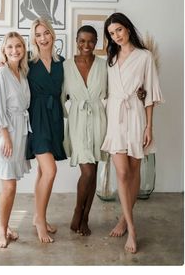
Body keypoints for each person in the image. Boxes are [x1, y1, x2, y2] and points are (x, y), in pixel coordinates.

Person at [101, 12, 164, 253]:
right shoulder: (110, 58)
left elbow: (149, 94)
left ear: (127, 28)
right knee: (122, 171)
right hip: (115, 118)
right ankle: (133, 228)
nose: (115, 36)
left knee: (135, 170)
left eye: (118, 30)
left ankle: (124, 219)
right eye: (111, 33)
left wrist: (149, 126)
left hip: (137, 116)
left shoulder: (145, 56)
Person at [0, 32, 31, 248]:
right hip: (6, 134)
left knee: (11, 185)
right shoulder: (1, 74)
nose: (15, 50)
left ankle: (7, 225)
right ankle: (1, 231)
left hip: (19, 131)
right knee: (9, 187)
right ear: (4, 50)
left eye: (18, 46)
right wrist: (6, 138)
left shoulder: (22, 72)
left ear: (24, 49)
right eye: (10, 47)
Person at [62, 25, 108, 236]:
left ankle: (86, 217)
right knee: (87, 171)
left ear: (97, 43)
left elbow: (114, 90)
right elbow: (60, 94)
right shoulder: (65, 66)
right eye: (82, 40)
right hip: (78, 120)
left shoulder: (105, 65)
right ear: (77, 41)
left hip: (99, 119)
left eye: (91, 41)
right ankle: (77, 212)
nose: (86, 45)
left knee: (94, 171)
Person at [26, 17, 66, 243]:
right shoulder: (28, 63)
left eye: (46, 33)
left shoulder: (62, 62)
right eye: (38, 35)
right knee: (50, 171)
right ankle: (40, 221)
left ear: (52, 34)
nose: (43, 38)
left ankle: (38, 215)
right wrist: (0, 65)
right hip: (37, 118)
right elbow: (11, 70)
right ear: (34, 38)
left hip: (55, 118)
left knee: (43, 172)